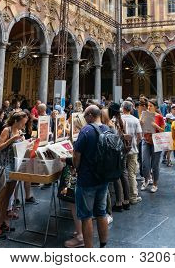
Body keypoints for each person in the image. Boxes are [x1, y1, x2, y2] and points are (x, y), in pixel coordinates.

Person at [73, 105, 109, 248]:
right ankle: (103, 244)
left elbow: (76, 155)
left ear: (89, 115)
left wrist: (76, 167)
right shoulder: (108, 129)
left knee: (86, 215)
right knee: (101, 212)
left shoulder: (86, 130)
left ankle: (89, 249)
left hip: (87, 178)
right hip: (104, 177)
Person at [0, 111, 27, 240]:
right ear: (17, 121)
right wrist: (12, 139)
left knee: (8, 196)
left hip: (15, 167)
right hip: (4, 167)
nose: (24, 125)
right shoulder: (7, 130)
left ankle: (2, 223)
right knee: (0, 197)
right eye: (23, 122)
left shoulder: (20, 132)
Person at [108, 102, 130, 211]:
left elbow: (112, 138)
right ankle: (127, 201)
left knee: (116, 176)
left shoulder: (111, 122)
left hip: (115, 151)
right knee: (124, 174)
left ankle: (118, 203)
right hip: (123, 150)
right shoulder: (122, 121)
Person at [141, 98, 165, 193]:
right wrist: (141, 123)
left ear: (155, 107)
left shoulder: (159, 117)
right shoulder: (144, 115)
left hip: (156, 142)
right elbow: (141, 128)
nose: (149, 107)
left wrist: (156, 126)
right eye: (148, 106)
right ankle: (146, 180)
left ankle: (155, 184)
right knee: (145, 163)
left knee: (155, 165)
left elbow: (163, 130)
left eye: (151, 106)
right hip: (146, 140)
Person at [121, 100, 142, 205]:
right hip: (133, 150)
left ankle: (122, 197)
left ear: (123, 108)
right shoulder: (135, 120)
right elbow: (139, 136)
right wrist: (135, 143)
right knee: (131, 174)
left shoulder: (117, 119)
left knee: (122, 174)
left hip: (120, 151)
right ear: (131, 109)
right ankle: (133, 196)